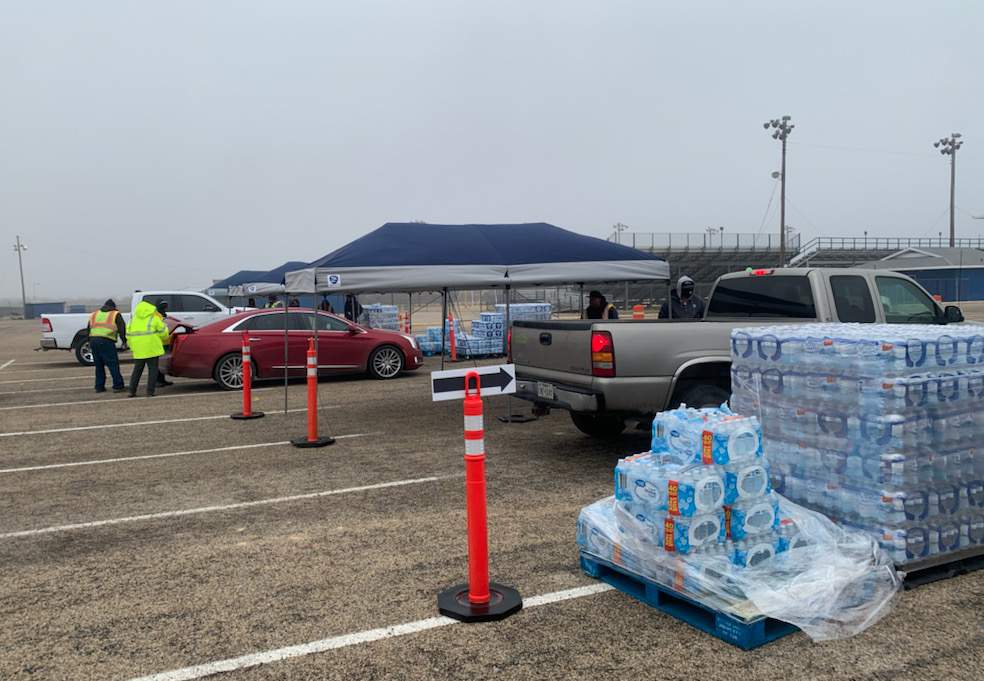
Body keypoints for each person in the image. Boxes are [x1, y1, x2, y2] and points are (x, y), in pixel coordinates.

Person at [125, 300, 170, 397]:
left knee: (137, 371)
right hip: (152, 349)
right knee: (153, 371)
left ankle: (131, 391)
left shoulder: (132, 321)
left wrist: (133, 347)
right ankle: (150, 392)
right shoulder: (153, 319)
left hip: (138, 350)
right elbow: (164, 334)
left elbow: (128, 335)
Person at [87, 299, 127, 393]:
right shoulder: (115, 314)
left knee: (99, 365)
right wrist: (124, 341)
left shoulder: (94, 314)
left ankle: (99, 387)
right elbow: (122, 329)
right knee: (113, 364)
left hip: (94, 340)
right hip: (106, 340)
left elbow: (88, 328)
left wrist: (89, 341)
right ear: (113, 307)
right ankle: (118, 386)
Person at [154, 300, 174, 387]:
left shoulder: (164, 315)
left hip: (166, 341)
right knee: (157, 363)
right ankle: (157, 380)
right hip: (159, 342)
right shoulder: (155, 316)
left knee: (162, 362)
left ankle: (162, 379)